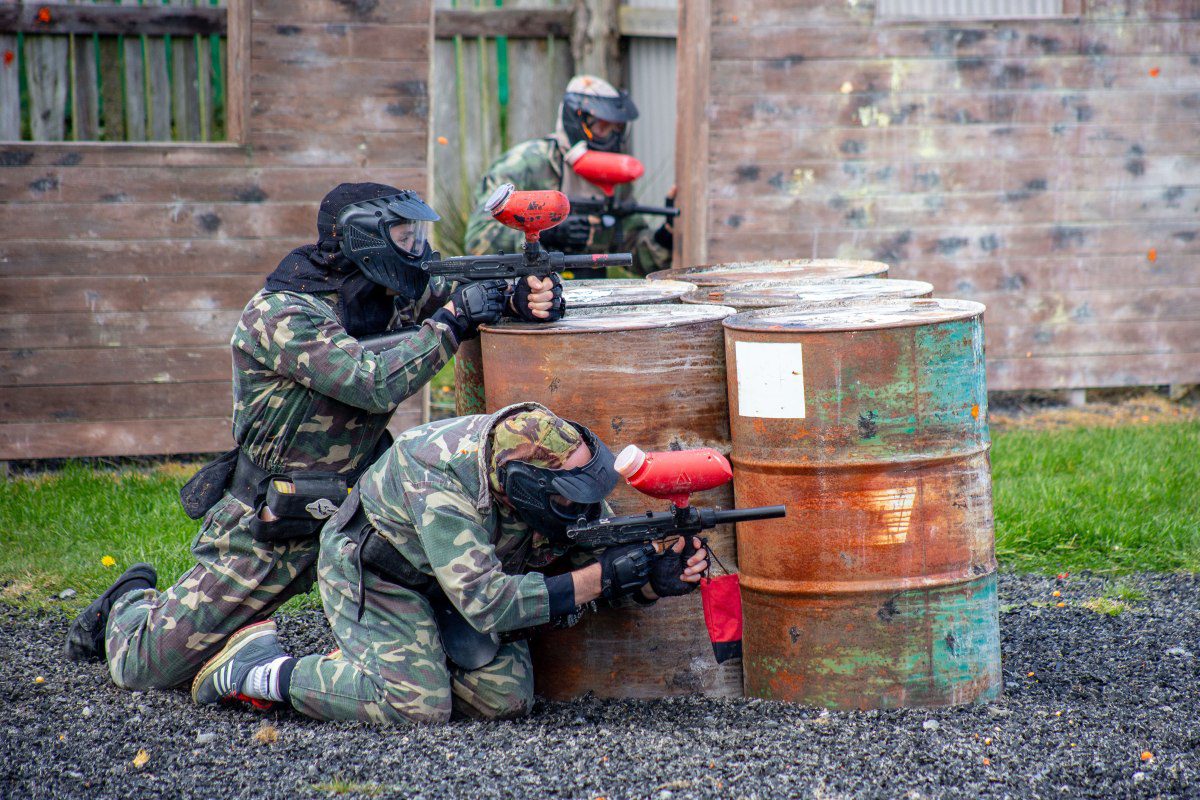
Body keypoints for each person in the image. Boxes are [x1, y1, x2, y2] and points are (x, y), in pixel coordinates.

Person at [65, 183, 563, 693]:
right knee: (145, 669)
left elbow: (464, 294)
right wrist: (452, 322)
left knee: (479, 668)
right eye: (404, 235)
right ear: (364, 240)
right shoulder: (282, 314)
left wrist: (519, 297)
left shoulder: (388, 292)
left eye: (417, 235)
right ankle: (128, 600)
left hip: (366, 513)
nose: (416, 248)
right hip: (278, 517)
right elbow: (373, 381)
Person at [190, 404, 708, 723]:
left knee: (503, 700)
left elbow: (593, 560)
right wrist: (604, 577)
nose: (586, 509)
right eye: (572, 499)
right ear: (526, 488)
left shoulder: (555, 472)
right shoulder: (436, 474)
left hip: (450, 587)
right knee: (416, 707)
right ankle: (261, 670)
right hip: (378, 576)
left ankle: (372, 663)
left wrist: (651, 580)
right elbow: (491, 605)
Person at [465, 75, 675, 279]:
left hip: (591, 293)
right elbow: (478, 241)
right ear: (577, 120)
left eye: (616, 129)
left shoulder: (611, 177)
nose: (611, 137)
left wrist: (667, 232)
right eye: (602, 127)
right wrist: (545, 233)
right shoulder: (527, 164)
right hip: (528, 296)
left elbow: (640, 258)